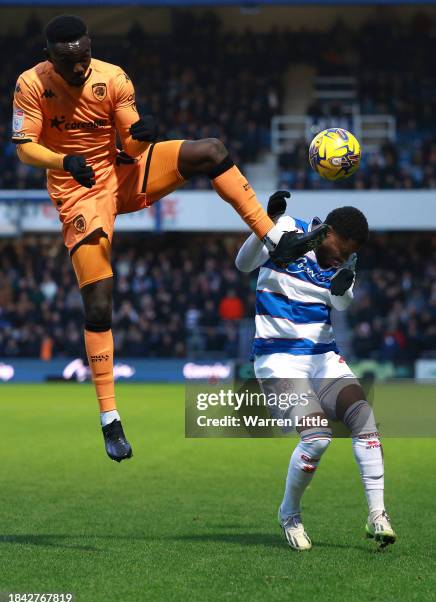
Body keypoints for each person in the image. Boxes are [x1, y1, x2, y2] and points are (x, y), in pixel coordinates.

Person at [12, 15, 327, 462]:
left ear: (90, 48)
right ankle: (110, 418)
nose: (80, 67)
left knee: (211, 151)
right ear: (50, 58)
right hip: (77, 190)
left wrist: (144, 136)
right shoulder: (30, 84)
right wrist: (64, 162)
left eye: (84, 56)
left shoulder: (112, 78)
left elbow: (132, 144)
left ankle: (274, 238)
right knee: (99, 304)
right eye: (68, 61)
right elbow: (24, 146)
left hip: (122, 172)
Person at [235, 191, 396, 550]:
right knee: (318, 438)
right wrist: (263, 226)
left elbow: (341, 301)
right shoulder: (289, 228)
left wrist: (342, 283)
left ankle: (378, 515)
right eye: (343, 247)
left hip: (323, 357)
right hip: (278, 360)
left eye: (352, 253)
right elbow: (244, 265)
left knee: (365, 422)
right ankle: (289, 514)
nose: (345, 256)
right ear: (329, 230)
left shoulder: (344, 266)